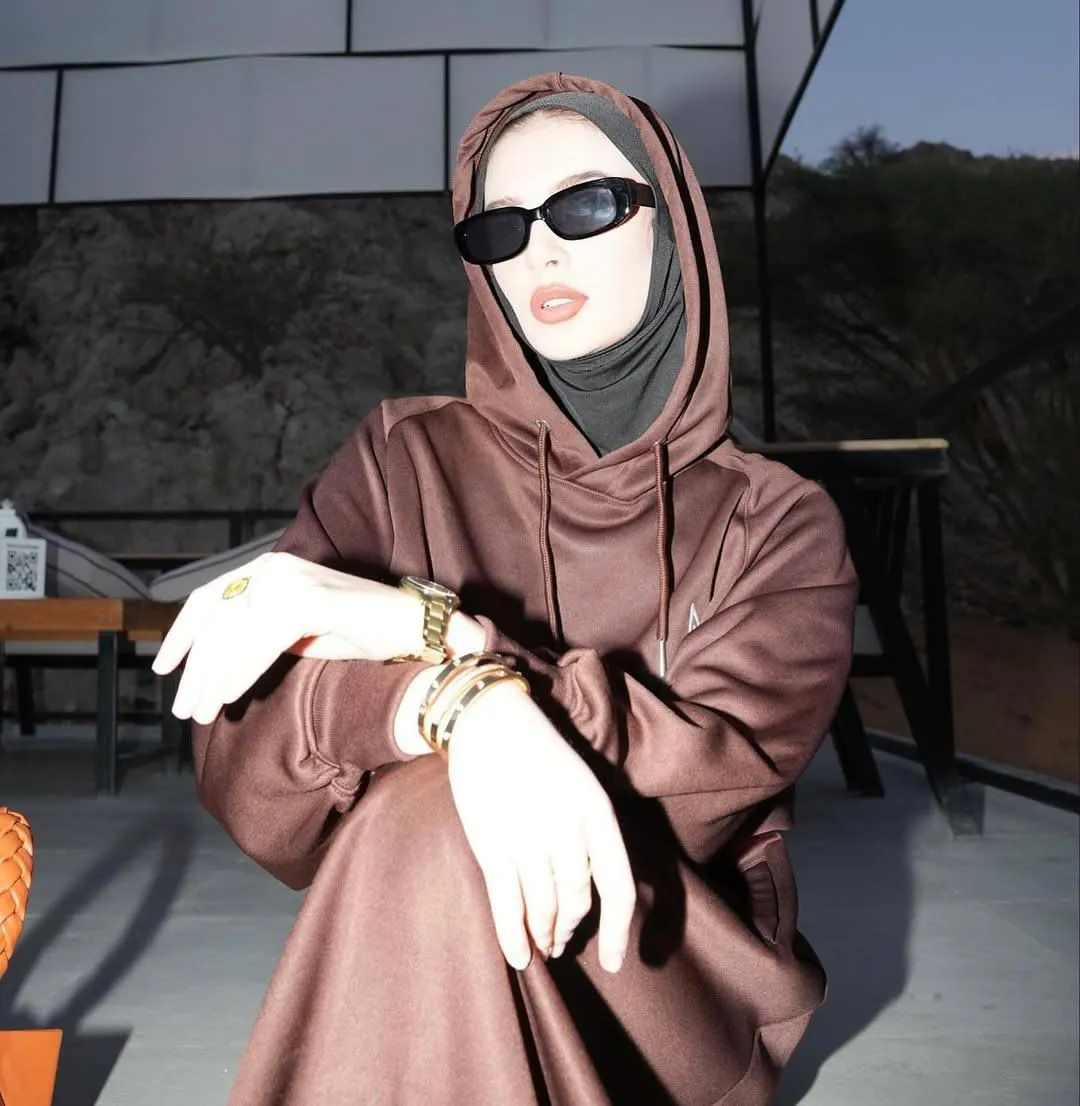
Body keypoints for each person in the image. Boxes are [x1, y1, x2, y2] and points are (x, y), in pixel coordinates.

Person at [154, 72, 857, 1106]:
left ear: (673, 226)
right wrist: (456, 702)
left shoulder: (781, 522)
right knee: (434, 815)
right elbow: (249, 770)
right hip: (428, 896)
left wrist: (426, 632)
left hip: (663, 949)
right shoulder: (401, 456)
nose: (540, 251)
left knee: (431, 818)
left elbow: (700, 797)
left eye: (586, 205)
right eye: (501, 227)